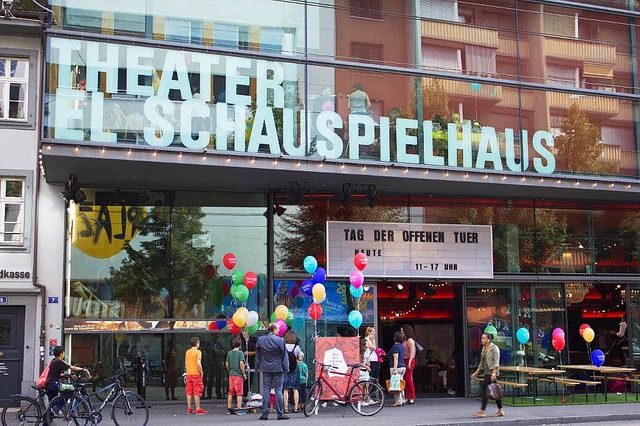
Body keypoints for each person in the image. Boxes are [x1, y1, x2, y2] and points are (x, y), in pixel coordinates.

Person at [256, 322, 290, 420]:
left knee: (266, 390)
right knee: (278, 390)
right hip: (278, 368)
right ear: (274, 329)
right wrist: (286, 368)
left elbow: (258, 355)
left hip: (265, 367)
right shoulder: (280, 340)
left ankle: (265, 413)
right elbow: (284, 356)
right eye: (278, 329)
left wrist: (257, 367)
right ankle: (280, 414)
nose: (279, 330)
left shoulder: (261, 340)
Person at [470, 333, 504, 418]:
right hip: (486, 372)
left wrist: (493, 373)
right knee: (495, 391)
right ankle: (500, 410)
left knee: (485, 390)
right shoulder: (484, 348)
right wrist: (476, 372)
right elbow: (482, 362)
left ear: (488, 339)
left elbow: (496, 362)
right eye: (481, 338)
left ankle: (482, 411)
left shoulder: (494, 348)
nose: (482, 340)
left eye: (484, 338)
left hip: (492, 373)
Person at [184, 337, 207, 415]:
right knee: (197, 391)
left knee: (189, 392)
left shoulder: (187, 352)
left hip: (189, 374)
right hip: (196, 374)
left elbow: (186, 364)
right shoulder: (198, 352)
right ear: (197, 343)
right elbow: (198, 363)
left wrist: (187, 371)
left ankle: (189, 409)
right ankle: (198, 408)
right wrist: (202, 372)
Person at [226, 337, 247, 415]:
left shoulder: (229, 353)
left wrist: (230, 370)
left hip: (231, 374)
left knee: (230, 392)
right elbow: (241, 364)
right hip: (238, 375)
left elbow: (227, 364)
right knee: (239, 392)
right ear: (240, 345)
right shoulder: (240, 353)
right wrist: (244, 374)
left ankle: (229, 408)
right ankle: (239, 408)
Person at [283, 330, 301, 413]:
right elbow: (300, 358)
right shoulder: (296, 347)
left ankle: (285, 408)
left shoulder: (283, 346)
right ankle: (296, 407)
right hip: (294, 368)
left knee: (285, 389)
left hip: (285, 368)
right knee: (295, 388)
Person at [388, 331, 406, 407]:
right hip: (402, 367)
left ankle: (398, 401)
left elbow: (396, 357)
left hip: (396, 367)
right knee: (400, 384)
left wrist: (395, 369)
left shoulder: (395, 347)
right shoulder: (401, 346)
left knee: (395, 384)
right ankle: (403, 399)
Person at [205, 334, 225, 400]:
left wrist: (219, 352)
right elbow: (211, 351)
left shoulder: (219, 344)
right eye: (216, 335)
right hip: (211, 364)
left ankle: (218, 394)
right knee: (210, 380)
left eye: (218, 335)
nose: (218, 336)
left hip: (218, 363)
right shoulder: (209, 343)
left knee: (218, 380)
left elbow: (223, 352)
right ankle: (209, 395)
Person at [400, 324, 417, 404]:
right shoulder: (404, 340)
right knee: (405, 379)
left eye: (402, 331)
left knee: (409, 379)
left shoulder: (410, 340)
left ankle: (412, 396)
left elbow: (411, 352)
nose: (401, 332)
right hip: (404, 359)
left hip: (409, 360)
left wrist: (409, 362)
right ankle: (407, 396)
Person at [239, 328, 258, 396]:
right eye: (244, 331)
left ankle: (247, 394)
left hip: (251, 362)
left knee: (250, 379)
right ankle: (241, 396)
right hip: (242, 363)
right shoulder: (239, 339)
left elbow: (257, 351)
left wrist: (250, 353)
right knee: (242, 381)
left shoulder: (253, 339)